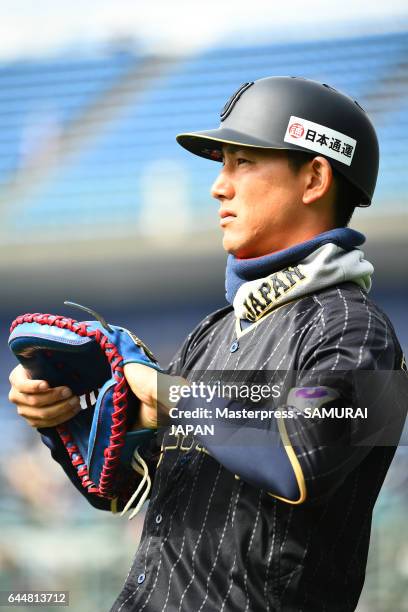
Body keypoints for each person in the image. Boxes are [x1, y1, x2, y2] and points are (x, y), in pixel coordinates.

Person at [8, 76, 407, 611]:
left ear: (314, 178)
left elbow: (298, 455)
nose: (220, 186)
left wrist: (168, 394)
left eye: (242, 163)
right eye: (222, 165)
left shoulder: (367, 334)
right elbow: (127, 491)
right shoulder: (212, 333)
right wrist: (63, 418)